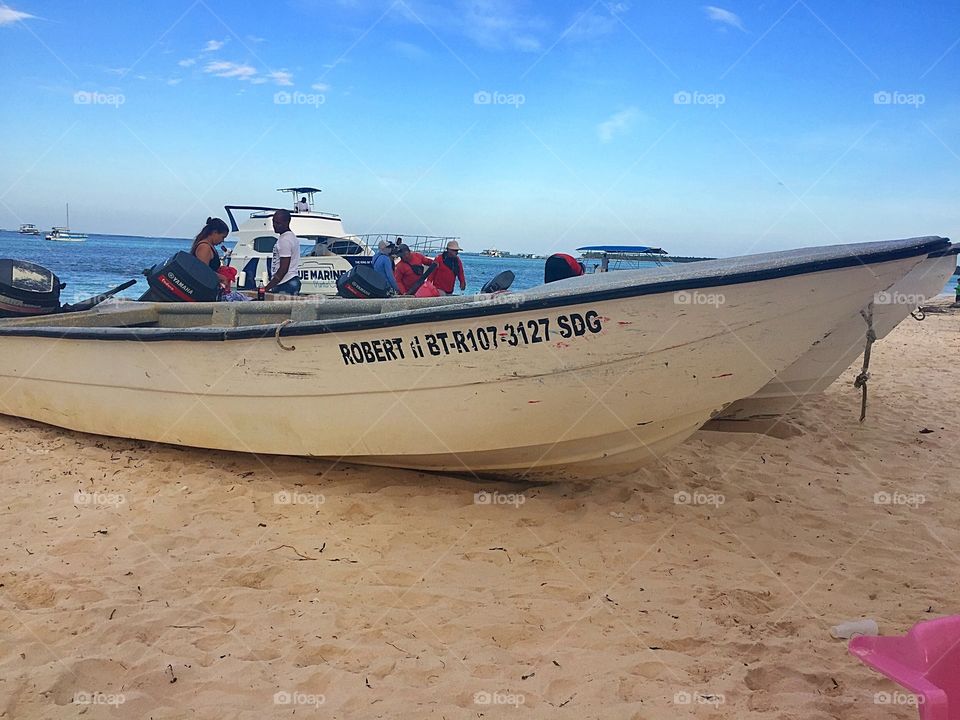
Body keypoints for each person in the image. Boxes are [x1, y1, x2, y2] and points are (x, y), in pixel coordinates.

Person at [264, 209, 301, 295]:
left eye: (278, 223)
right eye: (273, 222)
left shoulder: (285, 240)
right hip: (290, 280)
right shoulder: (291, 237)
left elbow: (283, 268)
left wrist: (267, 288)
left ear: (287, 223)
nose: (274, 225)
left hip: (285, 283)